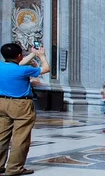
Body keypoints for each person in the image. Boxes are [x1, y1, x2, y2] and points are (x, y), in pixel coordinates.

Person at [0, 43, 50, 176]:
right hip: (21, 105)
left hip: (1, 103)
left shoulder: (1, 66)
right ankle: (14, 168)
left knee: (1, 136)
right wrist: (42, 56)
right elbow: (46, 69)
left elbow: (18, 63)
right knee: (20, 138)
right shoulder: (23, 70)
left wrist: (33, 53)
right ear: (19, 55)